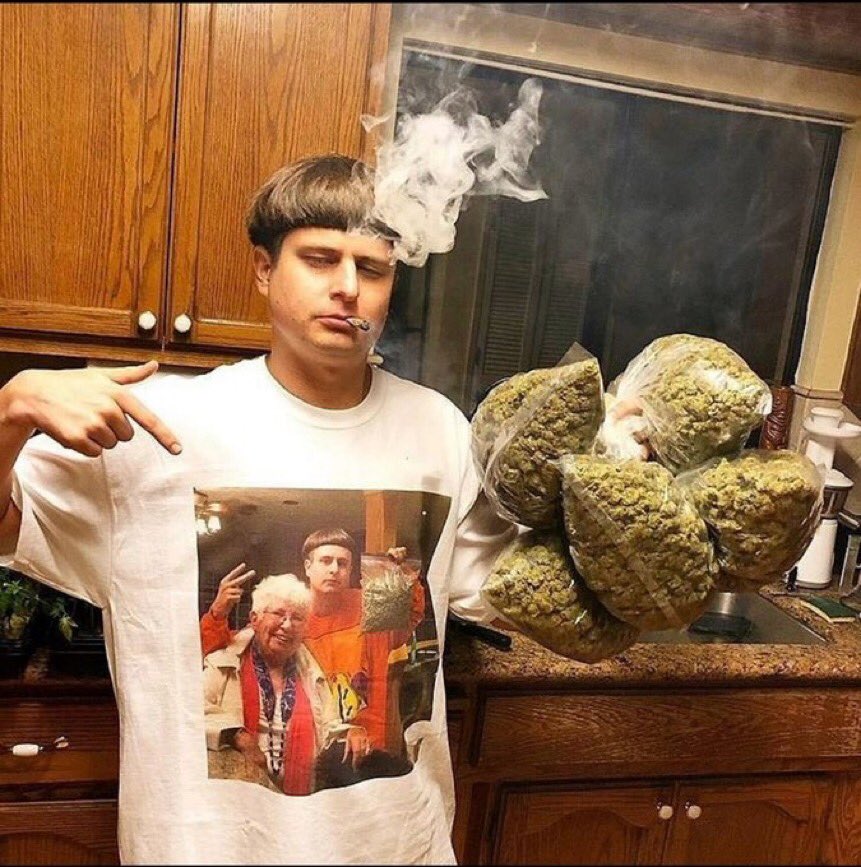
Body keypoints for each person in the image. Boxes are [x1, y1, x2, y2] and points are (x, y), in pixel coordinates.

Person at [0, 153, 587, 863]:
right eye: (319, 258)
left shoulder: (438, 429)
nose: (348, 287)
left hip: (395, 845)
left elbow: (518, 592)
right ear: (263, 268)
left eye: (373, 268)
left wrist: (612, 469)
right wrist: (11, 410)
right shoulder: (156, 425)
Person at [201, 530, 425, 752]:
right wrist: (217, 613)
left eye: (342, 563)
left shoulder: (371, 606)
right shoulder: (291, 616)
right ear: (308, 567)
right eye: (326, 561)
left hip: (369, 742)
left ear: (350, 570)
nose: (334, 569)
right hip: (313, 746)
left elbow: (408, 618)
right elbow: (226, 650)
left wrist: (403, 577)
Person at [203, 572, 369, 796]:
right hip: (237, 794)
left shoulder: (311, 672)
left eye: (297, 618)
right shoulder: (225, 662)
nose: (288, 625)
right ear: (255, 619)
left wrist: (351, 732)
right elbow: (194, 709)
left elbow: (329, 727)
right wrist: (238, 736)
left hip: (297, 799)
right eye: (279, 614)